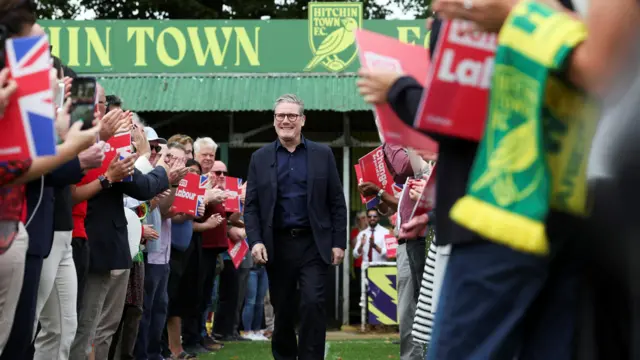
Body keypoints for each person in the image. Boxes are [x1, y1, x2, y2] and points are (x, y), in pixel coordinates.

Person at [245, 93, 347, 360]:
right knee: (283, 310)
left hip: (314, 244)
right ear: (274, 120)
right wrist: (255, 241)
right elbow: (252, 206)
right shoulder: (259, 157)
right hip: (277, 245)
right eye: (281, 116)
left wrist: (339, 242)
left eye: (292, 116)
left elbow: (337, 202)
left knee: (313, 303)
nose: (286, 120)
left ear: (302, 120)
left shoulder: (322, 154)